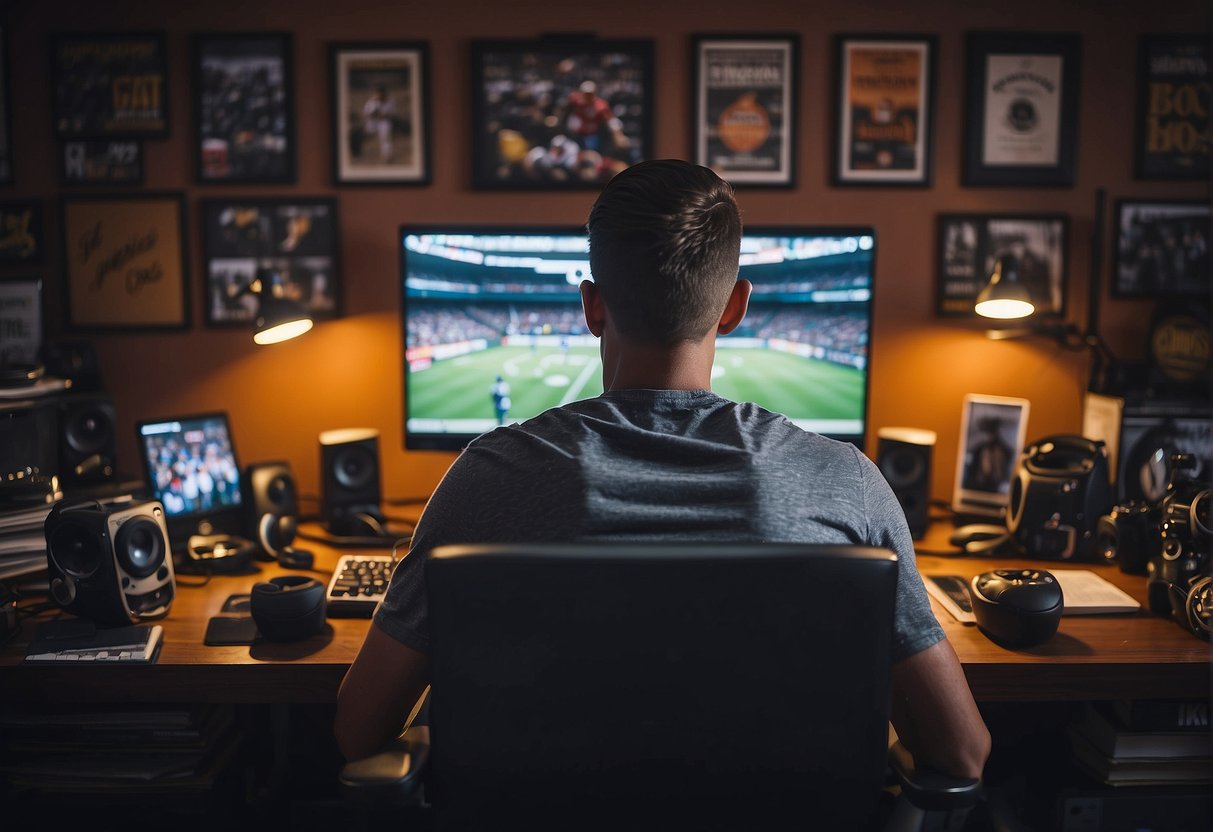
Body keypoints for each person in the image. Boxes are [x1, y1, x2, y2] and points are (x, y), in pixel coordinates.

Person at [335, 160, 991, 780]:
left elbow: (358, 726)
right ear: (733, 307)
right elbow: (961, 753)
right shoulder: (846, 483)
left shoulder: (487, 477)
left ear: (592, 307)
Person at [362, 86, 395, 163]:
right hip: (372, 122)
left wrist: (383, 115)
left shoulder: (390, 102)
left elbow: (392, 114)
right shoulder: (371, 102)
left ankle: (387, 156)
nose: (380, 96)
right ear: (376, 94)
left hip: (384, 122)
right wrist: (374, 113)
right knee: (367, 134)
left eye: (382, 95)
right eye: (379, 94)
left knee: (385, 138)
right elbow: (366, 114)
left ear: (385, 94)